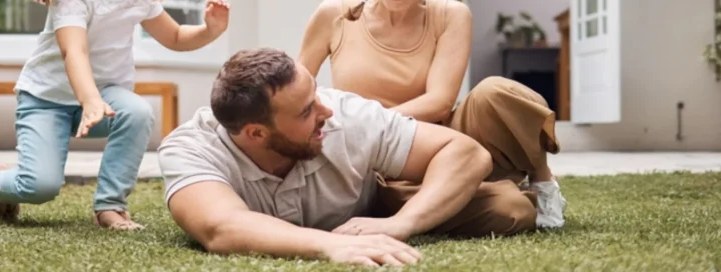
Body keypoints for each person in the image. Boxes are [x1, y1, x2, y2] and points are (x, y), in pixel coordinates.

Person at [297, 0, 566, 230]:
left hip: (441, 146)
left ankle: (543, 182)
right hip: (376, 170)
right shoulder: (334, 14)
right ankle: (461, 196)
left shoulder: (451, 14)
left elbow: (439, 101)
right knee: (511, 210)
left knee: (498, 91)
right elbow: (296, 87)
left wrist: (364, 124)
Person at [0, 0, 231, 231]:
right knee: (39, 188)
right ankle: (0, 180)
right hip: (46, 101)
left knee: (138, 112)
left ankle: (110, 206)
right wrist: (89, 100)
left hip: (105, 98)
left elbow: (174, 38)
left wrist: (210, 30)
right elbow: (75, 51)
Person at [158, 48, 533, 267]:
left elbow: (464, 152)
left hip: (380, 205)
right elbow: (221, 227)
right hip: (345, 226)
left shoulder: (344, 113)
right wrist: (330, 245)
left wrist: (402, 223)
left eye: (316, 94)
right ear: (256, 133)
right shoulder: (190, 148)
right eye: (306, 111)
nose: (325, 112)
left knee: (511, 208)